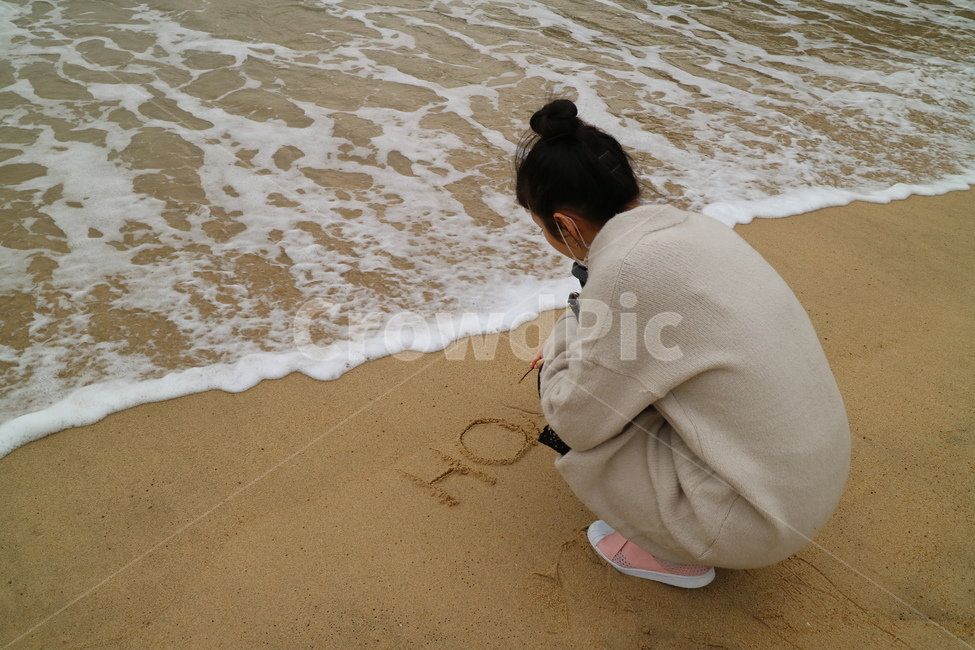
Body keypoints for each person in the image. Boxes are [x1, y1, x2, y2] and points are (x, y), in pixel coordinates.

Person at [517, 99, 850, 588]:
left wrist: (565, 344)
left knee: (558, 389)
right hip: (810, 483)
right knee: (629, 377)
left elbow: (575, 422)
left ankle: (671, 554)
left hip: (756, 523)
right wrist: (584, 320)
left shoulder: (629, 271)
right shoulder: (696, 227)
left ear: (564, 225)